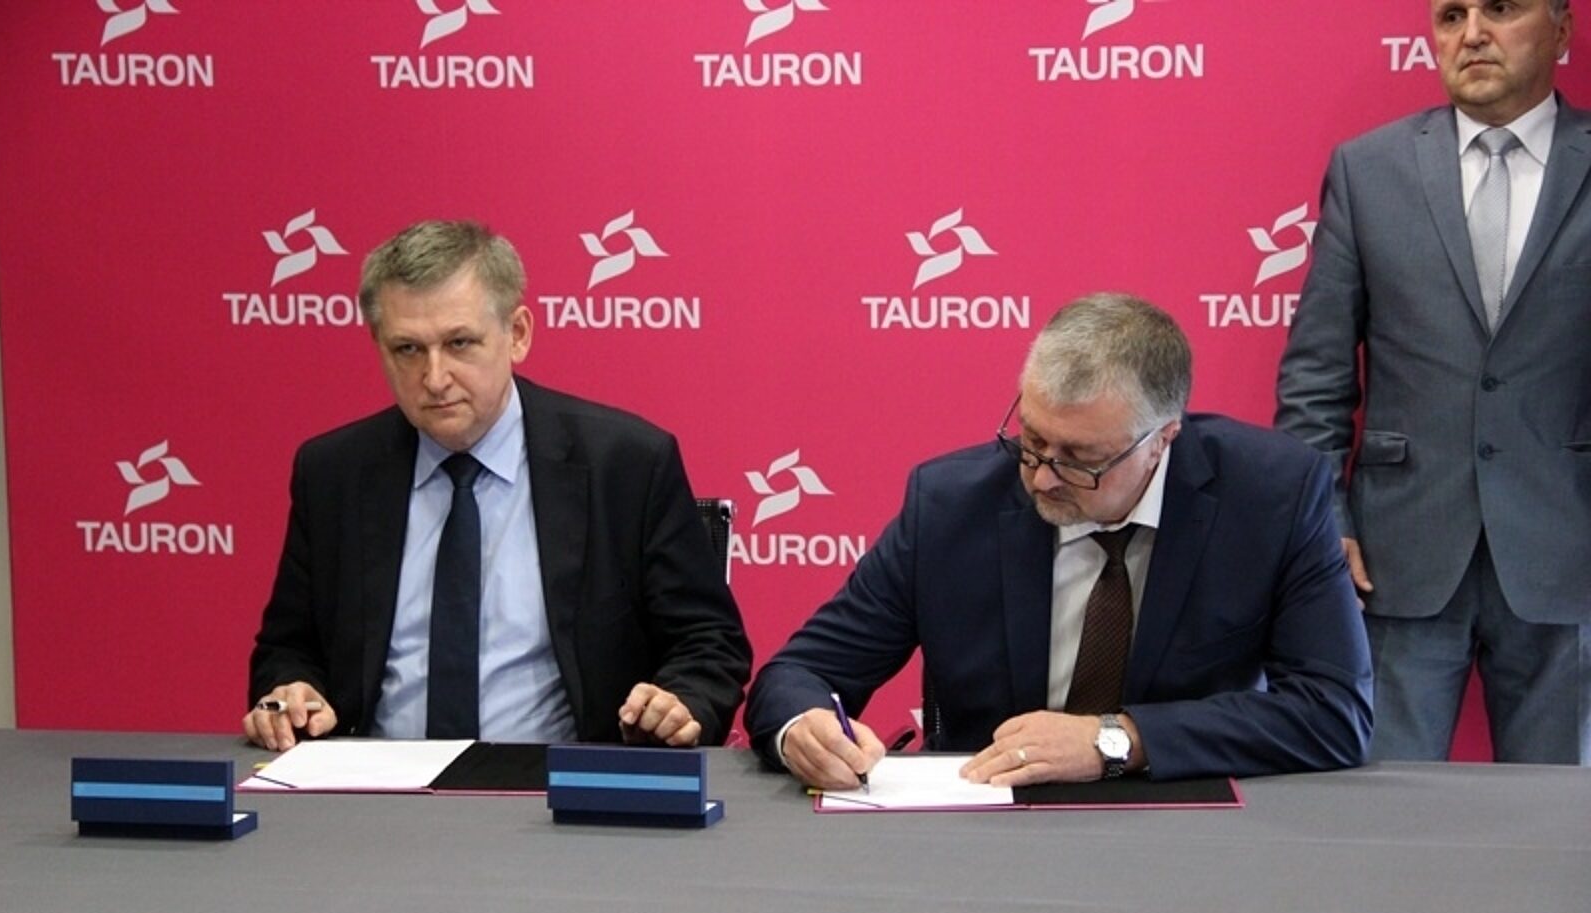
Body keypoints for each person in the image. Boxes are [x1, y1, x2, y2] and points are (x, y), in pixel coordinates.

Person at [747, 293, 1373, 790]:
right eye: (1032, 440)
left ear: (1163, 440)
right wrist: (804, 727)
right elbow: (801, 672)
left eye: (1080, 458)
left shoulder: (1272, 497)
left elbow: (1333, 711)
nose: (1042, 478)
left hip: (1188, 822)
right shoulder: (949, 506)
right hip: (988, 822)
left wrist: (1118, 739)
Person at [245, 220, 750, 751]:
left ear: (518, 333)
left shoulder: (626, 465)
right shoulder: (334, 473)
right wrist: (292, 693)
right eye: (408, 349)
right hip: (376, 784)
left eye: (459, 343)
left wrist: (679, 703)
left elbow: (708, 643)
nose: (435, 378)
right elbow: (287, 650)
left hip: (566, 784)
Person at [1275, 0, 1590, 763]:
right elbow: (1316, 375)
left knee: (1565, 821)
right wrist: (1323, 520)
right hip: (1396, 559)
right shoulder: (1367, 170)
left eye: (1501, 9)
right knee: (1385, 812)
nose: (1472, 34)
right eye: (1451, 16)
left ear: (1562, 29)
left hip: (1571, 552)